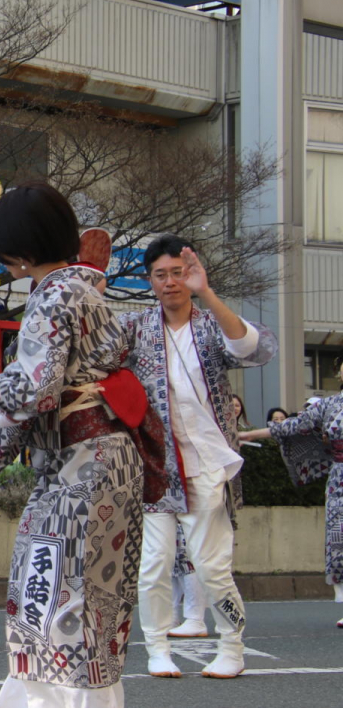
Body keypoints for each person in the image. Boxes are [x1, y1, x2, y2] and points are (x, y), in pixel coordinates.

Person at [0, 182, 150, 708]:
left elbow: (35, 387)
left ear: (16, 251)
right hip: (112, 461)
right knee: (94, 597)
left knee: (53, 594)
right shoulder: (88, 290)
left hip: (80, 468)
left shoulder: (51, 296)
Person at [118, 235, 277, 679]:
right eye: (160, 275)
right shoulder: (135, 328)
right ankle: (157, 648)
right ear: (149, 280)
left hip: (208, 463)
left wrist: (206, 290)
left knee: (211, 567)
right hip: (155, 465)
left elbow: (256, 349)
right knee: (152, 565)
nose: (170, 283)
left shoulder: (209, 323)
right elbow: (96, 357)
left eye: (177, 273)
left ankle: (231, 646)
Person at [240, 360, 343, 629]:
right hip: (339, 478)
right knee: (339, 537)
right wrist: (245, 434)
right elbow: (290, 426)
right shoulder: (328, 405)